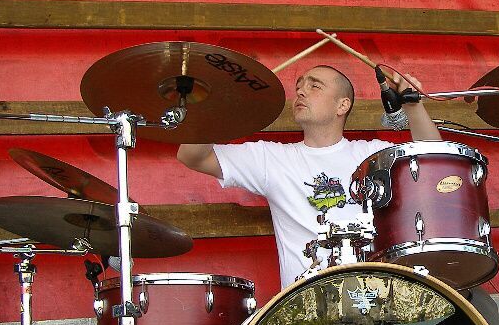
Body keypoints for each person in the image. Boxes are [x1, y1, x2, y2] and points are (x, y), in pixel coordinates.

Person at [177, 65, 441, 288]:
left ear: (342, 105)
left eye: (315, 86)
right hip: (306, 307)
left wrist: (413, 105)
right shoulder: (270, 159)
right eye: (299, 87)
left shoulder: (373, 154)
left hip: (374, 296)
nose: (301, 92)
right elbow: (192, 156)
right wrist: (218, 106)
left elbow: (435, 165)